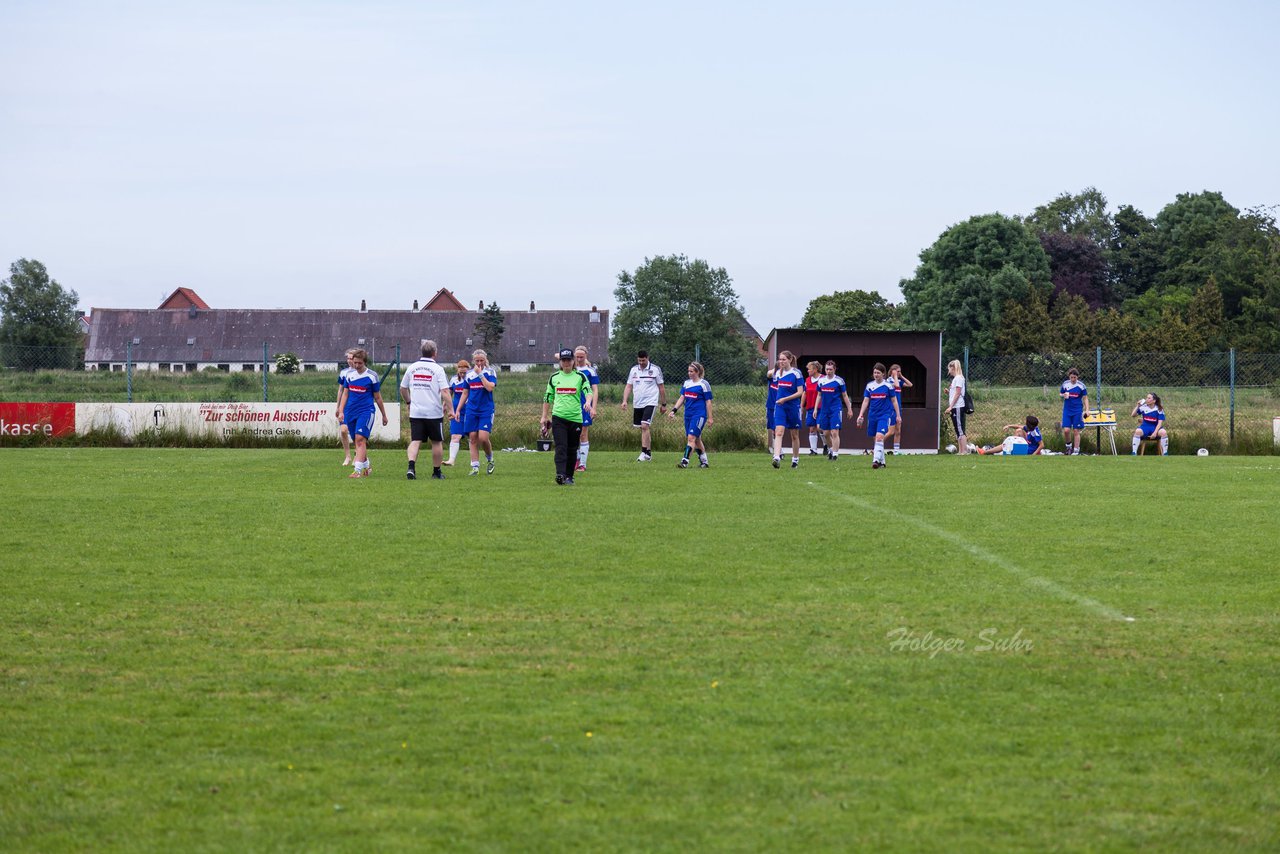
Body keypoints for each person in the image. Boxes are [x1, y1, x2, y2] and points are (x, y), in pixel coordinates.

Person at [400, 339, 453, 480]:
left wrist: (409, 402)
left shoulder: (412, 368)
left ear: (422, 352)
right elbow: (445, 392)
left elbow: (403, 388)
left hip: (416, 412)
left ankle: (411, 467)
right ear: (435, 353)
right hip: (433, 413)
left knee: (415, 440)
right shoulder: (438, 369)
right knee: (436, 442)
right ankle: (436, 472)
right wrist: (451, 410)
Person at [540, 349, 594, 485]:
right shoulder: (554, 377)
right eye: (563, 360)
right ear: (560, 362)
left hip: (575, 418)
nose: (566, 363)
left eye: (568, 360)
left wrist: (588, 402)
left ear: (573, 361)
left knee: (571, 448)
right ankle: (560, 474)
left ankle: (569, 476)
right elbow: (548, 397)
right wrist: (544, 417)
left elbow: (588, 391)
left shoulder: (580, 376)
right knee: (561, 447)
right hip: (559, 417)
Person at [335, 348, 388, 478]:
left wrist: (384, 415)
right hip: (350, 412)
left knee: (360, 439)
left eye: (359, 363)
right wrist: (341, 410)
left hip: (366, 411)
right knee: (358, 442)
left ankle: (357, 471)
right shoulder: (349, 375)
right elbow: (345, 394)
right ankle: (367, 466)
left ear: (365, 362)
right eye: (355, 363)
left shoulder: (372, 376)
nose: (357, 365)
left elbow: (378, 397)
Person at [619, 350, 666, 461]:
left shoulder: (655, 369)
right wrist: (624, 400)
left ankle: (643, 453)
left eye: (643, 360)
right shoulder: (634, 370)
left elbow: (661, 388)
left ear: (647, 358)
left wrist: (664, 404)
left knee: (644, 425)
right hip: (637, 403)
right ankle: (648, 454)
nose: (641, 362)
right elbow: (629, 386)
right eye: (639, 360)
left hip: (651, 401)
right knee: (643, 428)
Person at [856, 363, 902, 469]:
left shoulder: (888, 386)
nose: (876, 374)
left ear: (883, 374)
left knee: (879, 436)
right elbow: (866, 401)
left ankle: (875, 460)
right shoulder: (869, 386)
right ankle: (882, 462)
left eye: (878, 373)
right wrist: (861, 415)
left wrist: (898, 415)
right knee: (876, 439)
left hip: (885, 415)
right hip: (872, 415)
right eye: (875, 372)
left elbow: (894, 401)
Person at [668, 361, 714, 468]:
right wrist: (674, 410)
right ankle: (704, 462)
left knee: (691, 438)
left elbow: (708, 402)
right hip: (688, 415)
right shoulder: (686, 383)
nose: (689, 373)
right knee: (696, 439)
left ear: (697, 372)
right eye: (688, 371)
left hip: (699, 415)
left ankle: (684, 462)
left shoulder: (704, 384)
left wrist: (710, 418)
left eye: (691, 371)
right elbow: (682, 398)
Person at [464, 349, 498, 475]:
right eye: (477, 360)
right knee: (472, 438)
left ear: (485, 360)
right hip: (472, 409)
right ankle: (475, 467)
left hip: (486, 410)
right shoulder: (469, 374)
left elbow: (489, 388)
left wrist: (480, 375)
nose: (479, 363)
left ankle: (490, 459)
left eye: (481, 360)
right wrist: (457, 410)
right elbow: (465, 392)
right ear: (473, 361)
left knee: (483, 438)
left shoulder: (490, 372)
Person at [770, 350, 804, 469]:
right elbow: (769, 375)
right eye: (780, 359)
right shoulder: (778, 373)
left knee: (794, 435)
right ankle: (776, 457)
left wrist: (785, 399)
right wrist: (781, 400)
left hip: (793, 407)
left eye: (784, 359)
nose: (781, 361)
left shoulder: (796, 373)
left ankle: (795, 459)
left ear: (790, 360)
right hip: (780, 406)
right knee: (778, 432)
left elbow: (800, 392)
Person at [813, 360, 852, 460]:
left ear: (834, 369)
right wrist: (815, 409)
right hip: (824, 409)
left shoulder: (839, 381)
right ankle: (831, 449)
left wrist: (849, 409)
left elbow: (844, 395)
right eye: (827, 369)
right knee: (825, 433)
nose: (828, 371)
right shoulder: (821, 381)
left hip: (835, 409)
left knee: (834, 432)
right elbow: (819, 395)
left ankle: (835, 454)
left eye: (830, 369)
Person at [573, 345, 600, 472]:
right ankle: (575, 460)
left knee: (583, 434)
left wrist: (593, 408)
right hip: (571, 406)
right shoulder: (570, 369)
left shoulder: (590, 371)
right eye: (577, 357)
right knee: (573, 435)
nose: (579, 359)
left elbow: (595, 390)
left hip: (585, 406)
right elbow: (557, 355)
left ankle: (582, 464)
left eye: (581, 357)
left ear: (586, 356)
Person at [444, 359, 470, 466]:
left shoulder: (472, 378)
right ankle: (451, 460)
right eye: (461, 372)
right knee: (455, 436)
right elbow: (448, 394)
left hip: (469, 411)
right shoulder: (454, 380)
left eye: (465, 372)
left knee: (472, 437)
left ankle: (474, 462)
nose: (463, 374)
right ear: (457, 371)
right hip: (456, 412)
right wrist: (444, 406)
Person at [976, 415, 1043, 455]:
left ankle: (984, 452)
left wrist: (1034, 454)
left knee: (1006, 445)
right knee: (1019, 430)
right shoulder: (1030, 428)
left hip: (1029, 450)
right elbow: (1018, 426)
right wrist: (1009, 426)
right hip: (1029, 446)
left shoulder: (1035, 433)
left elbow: (1041, 445)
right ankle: (1014, 447)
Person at [1060, 368, 1090, 456]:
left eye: (1074, 378)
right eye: (1071, 377)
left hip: (1077, 410)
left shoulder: (1081, 386)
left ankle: (1076, 450)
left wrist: (1087, 410)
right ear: (1069, 376)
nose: (1073, 379)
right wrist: (1064, 395)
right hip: (1067, 410)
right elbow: (1061, 393)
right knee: (1066, 430)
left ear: (1077, 377)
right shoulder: (1065, 384)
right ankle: (1068, 447)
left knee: (1076, 430)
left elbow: (1085, 398)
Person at [943, 359, 969, 455]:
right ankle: (960, 451)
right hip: (956, 407)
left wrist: (950, 406)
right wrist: (949, 392)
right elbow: (955, 393)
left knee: (960, 428)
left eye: (949, 368)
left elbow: (958, 394)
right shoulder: (956, 379)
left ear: (953, 368)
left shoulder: (958, 378)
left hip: (957, 407)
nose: (948, 371)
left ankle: (964, 451)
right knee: (958, 428)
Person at [886, 364, 913, 454]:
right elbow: (896, 385)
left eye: (900, 371)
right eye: (898, 371)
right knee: (891, 432)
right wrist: (894, 375)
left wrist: (901, 376)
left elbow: (910, 385)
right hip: (891, 409)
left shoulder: (899, 380)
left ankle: (896, 451)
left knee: (898, 431)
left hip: (898, 409)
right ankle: (878, 444)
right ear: (892, 371)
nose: (899, 373)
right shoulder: (889, 381)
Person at [336, 348, 356, 466]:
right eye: (347, 358)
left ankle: (357, 455)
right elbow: (340, 390)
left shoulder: (362, 373)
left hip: (356, 406)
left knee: (355, 433)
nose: (349, 361)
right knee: (344, 430)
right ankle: (347, 456)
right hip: (345, 406)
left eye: (351, 358)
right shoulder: (344, 372)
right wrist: (338, 407)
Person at [803, 361, 825, 456]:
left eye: (809, 369)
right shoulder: (807, 380)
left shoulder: (823, 379)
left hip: (821, 407)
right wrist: (801, 405)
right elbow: (804, 393)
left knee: (820, 428)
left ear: (815, 369)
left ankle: (826, 445)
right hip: (810, 407)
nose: (808, 370)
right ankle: (813, 450)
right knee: (812, 428)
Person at [764, 362, 779, 453]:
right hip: (771, 406)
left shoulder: (784, 380)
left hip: (780, 406)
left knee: (779, 428)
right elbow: (769, 373)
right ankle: (778, 451)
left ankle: (778, 450)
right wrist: (776, 368)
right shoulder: (772, 379)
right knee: (773, 428)